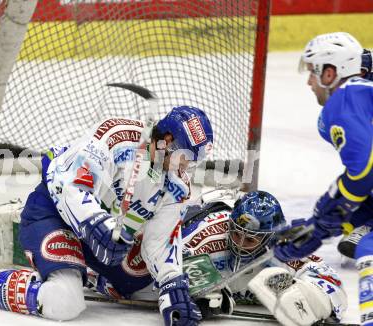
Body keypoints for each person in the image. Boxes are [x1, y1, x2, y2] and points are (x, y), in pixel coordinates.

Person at [0, 105, 213, 326]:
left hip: (104, 236)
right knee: (64, 302)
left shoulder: (177, 185)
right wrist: (98, 223)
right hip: (54, 211)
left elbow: (160, 241)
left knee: (143, 280)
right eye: (185, 157)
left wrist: (171, 284)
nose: (187, 166)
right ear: (167, 141)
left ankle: (90, 273)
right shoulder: (117, 136)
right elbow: (69, 184)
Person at [84, 190, 348, 326]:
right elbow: (160, 269)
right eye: (237, 234)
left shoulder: (282, 245)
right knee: (130, 282)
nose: (240, 244)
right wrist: (197, 295)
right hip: (187, 221)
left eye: (251, 239)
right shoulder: (208, 237)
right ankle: (83, 261)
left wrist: (319, 303)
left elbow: (330, 281)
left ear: (269, 237)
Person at [272, 32, 373, 325]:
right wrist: (322, 221)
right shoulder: (361, 93)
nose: (309, 82)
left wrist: (321, 225)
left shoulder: (341, 102)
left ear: (330, 73)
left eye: (313, 73)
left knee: (368, 248)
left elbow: (365, 171)